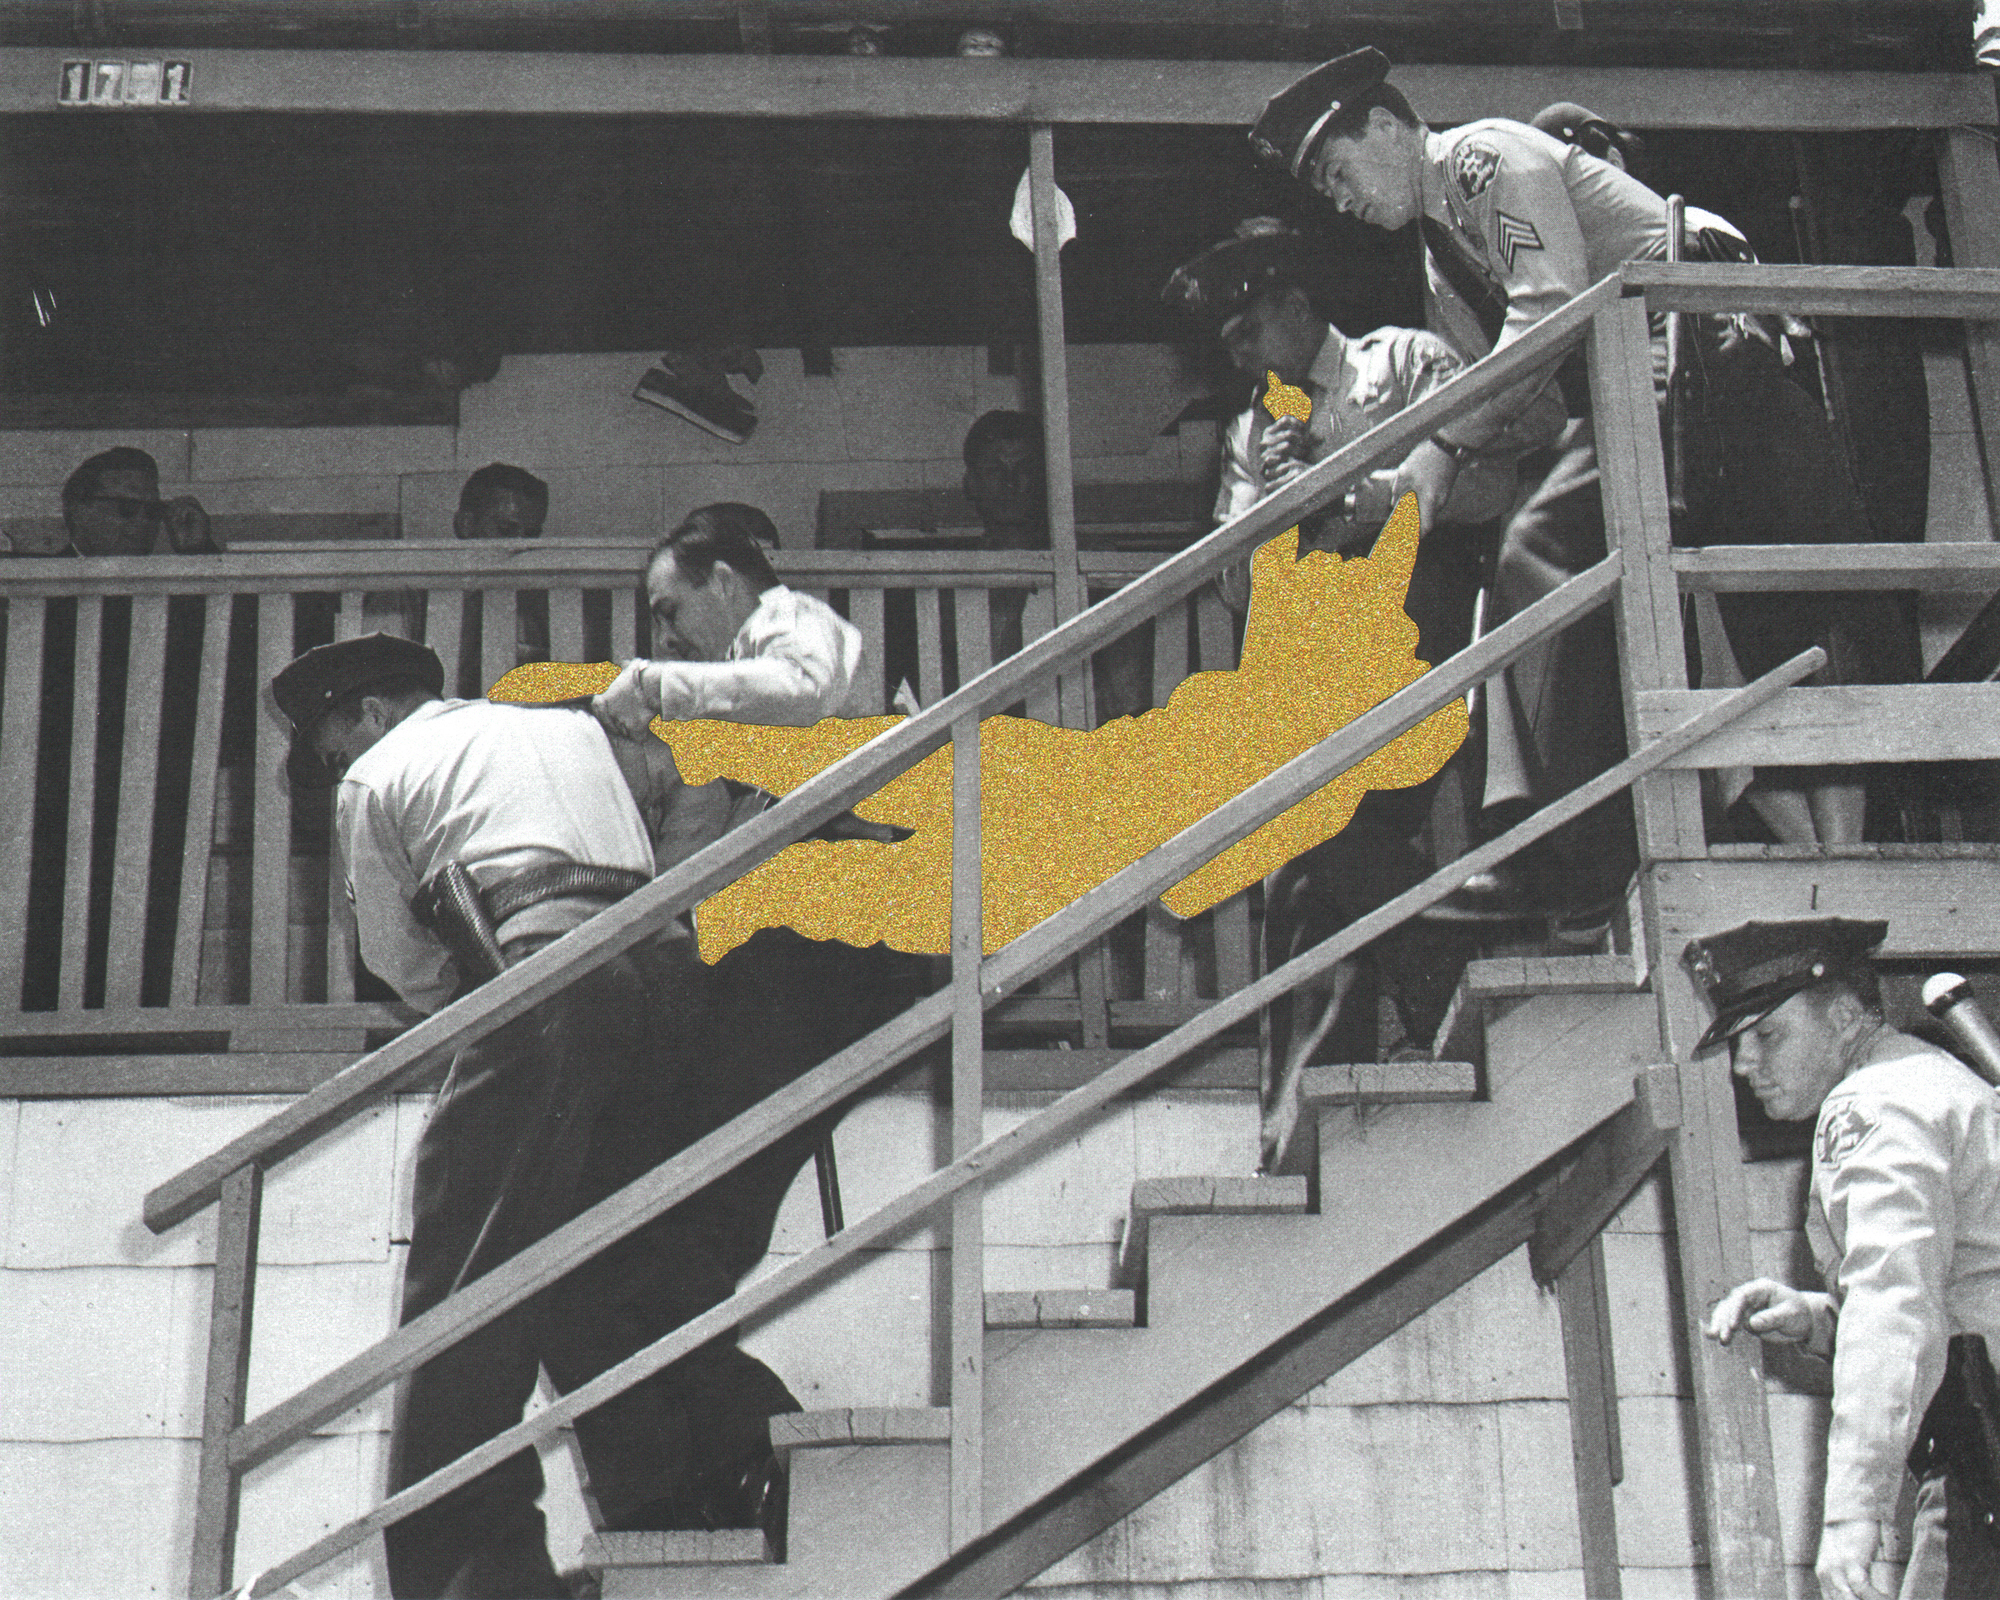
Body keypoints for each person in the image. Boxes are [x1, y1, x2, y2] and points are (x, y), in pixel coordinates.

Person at [275, 632, 897, 1596]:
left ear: (368, 715)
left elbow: (398, 957)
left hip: (550, 970)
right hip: (669, 986)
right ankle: (708, 1475)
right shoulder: (566, 732)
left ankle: (474, 1577)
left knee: (465, 1281)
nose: (334, 770)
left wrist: (489, 1009)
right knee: (597, 1262)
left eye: (329, 749)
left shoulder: (381, 772)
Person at [1250, 48, 1906, 872]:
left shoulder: (1479, 157)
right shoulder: (1438, 264)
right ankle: (1800, 865)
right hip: (1643, 404)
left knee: (1730, 609)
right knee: (1699, 636)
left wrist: (1443, 447)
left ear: (1385, 126)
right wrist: (1387, 492)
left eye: (1338, 173)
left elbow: (1547, 306)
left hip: (1706, 348)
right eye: (1327, 192)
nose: (1341, 202)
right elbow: (1529, 413)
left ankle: (1585, 843)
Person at [1163, 220, 1554, 1124]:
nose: (1244, 360)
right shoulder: (1251, 428)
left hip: (1425, 613)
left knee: (1328, 835)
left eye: (1250, 333)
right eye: (1229, 348)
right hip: (1317, 648)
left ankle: (1311, 1093)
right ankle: (1332, 1079)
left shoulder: (1407, 364)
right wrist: (1263, 503)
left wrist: (1353, 486)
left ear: (1296, 305)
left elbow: (1493, 484)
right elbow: (1236, 591)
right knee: (1308, 856)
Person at [1693, 918, 2000, 1599]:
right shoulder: (1938, 1083)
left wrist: (1853, 1515)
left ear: (1842, 1017)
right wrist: (1818, 1317)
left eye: (1766, 1035)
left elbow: (1897, 1308)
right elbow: (1962, 1286)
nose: (1745, 1065)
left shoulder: (1872, 1106)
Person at [593, 502, 863, 734]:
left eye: (670, 613)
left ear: (722, 583)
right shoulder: (751, 644)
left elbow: (804, 687)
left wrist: (655, 683)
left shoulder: (794, 612)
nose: (665, 640)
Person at [60, 445, 219, 556]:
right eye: (127, 508)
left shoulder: (166, 589)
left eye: (153, 510)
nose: (143, 522)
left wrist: (197, 550)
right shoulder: (36, 583)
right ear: (79, 512)